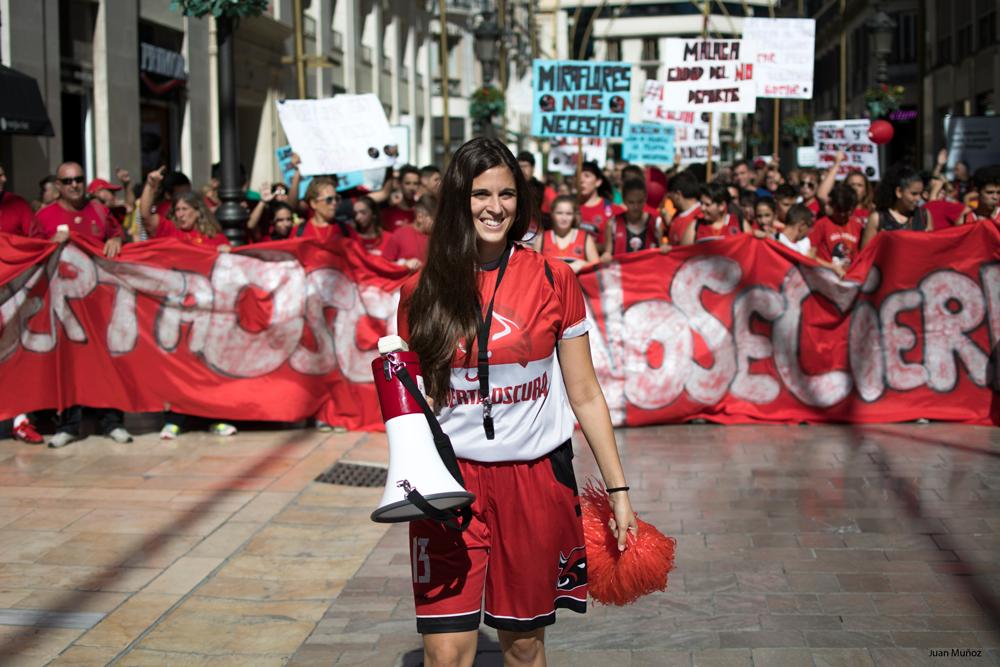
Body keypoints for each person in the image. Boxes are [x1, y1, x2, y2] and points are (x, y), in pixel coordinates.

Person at [398, 137, 636, 667]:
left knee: (524, 647)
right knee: (445, 654)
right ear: (460, 201)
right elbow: (416, 403)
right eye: (481, 194)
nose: (495, 207)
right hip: (449, 487)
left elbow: (586, 394)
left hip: (532, 481)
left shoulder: (555, 277)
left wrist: (618, 490)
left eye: (507, 194)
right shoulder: (420, 290)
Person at [32, 162, 132, 448]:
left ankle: (112, 421)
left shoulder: (99, 211)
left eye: (79, 179)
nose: (75, 185)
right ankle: (69, 425)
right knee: (68, 365)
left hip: (99, 300)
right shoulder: (45, 216)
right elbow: (34, 253)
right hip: (63, 302)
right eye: (68, 181)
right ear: (59, 186)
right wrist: (51, 243)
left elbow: (118, 234)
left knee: (106, 362)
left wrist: (115, 239)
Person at [0, 164, 44, 444]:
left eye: (4, 172)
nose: (4, 178)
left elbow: (38, 240)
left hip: (12, 295)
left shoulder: (16, 205)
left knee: (14, 355)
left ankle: (20, 419)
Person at [140, 168, 230, 249]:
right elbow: (146, 217)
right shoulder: (170, 230)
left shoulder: (216, 238)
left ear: (198, 212)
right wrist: (150, 185)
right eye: (177, 210)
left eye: (185, 209)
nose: (180, 214)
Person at [861, 165, 934, 249]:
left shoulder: (924, 215)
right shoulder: (878, 219)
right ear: (899, 192)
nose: (918, 199)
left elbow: (930, 250)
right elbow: (866, 256)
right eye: (914, 194)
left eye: (920, 194)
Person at [533, 194, 599, 273]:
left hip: (577, 284)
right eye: (559, 213)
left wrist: (583, 265)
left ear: (574, 215)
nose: (564, 218)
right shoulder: (542, 238)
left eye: (569, 214)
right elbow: (533, 267)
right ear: (552, 214)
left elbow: (597, 266)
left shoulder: (585, 237)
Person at [603, 178, 662, 259]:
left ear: (645, 198)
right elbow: (608, 252)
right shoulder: (613, 223)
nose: (636, 206)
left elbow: (661, 250)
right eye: (631, 202)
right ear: (624, 200)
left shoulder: (656, 222)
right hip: (623, 270)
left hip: (648, 270)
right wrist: (605, 256)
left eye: (640, 201)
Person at [809, 183, 864, 271]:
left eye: (846, 211)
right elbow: (810, 255)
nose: (842, 215)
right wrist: (832, 267)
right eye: (838, 210)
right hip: (827, 276)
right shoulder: (822, 224)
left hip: (850, 277)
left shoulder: (857, 225)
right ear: (832, 205)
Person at [577, 161, 623, 254]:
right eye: (578, 176)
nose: (581, 180)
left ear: (598, 182)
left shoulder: (614, 210)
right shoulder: (568, 208)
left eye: (587, 176)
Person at [384, 195, 434, 270]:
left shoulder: (438, 238)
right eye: (435, 219)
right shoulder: (400, 234)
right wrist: (403, 264)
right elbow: (384, 265)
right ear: (420, 217)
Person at [666, 170, 703, 246]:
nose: (669, 200)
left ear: (677, 194)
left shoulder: (702, 218)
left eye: (670, 197)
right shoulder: (677, 216)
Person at [382, 164, 420, 231]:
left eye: (415, 183)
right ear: (399, 184)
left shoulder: (422, 212)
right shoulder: (388, 213)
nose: (412, 188)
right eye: (407, 183)